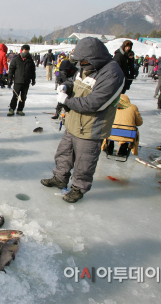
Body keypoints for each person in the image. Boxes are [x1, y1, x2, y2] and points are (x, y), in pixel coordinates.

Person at [41, 37, 124, 203]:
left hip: (91, 127)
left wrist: (67, 101)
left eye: (83, 61)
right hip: (73, 122)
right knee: (64, 154)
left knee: (84, 162)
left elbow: (95, 103)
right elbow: (75, 81)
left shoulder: (112, 73)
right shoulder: (86, 66)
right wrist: (66, 86)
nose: (81, 64)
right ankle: (59, 178)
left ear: (94, 58)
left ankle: (78, 188)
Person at [7, 45, 36, 117]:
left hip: (26, 81)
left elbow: (33, 71)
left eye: (27, 51)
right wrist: (10, 79)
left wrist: (33, 79)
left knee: (23, 96)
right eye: (25, 51)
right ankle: (12, 109)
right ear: (21, 50)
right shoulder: (16, 59)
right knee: (15, 96)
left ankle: (20, 109)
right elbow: (11, 70)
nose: (26, 53)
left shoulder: (30, 60)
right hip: (17, 81)